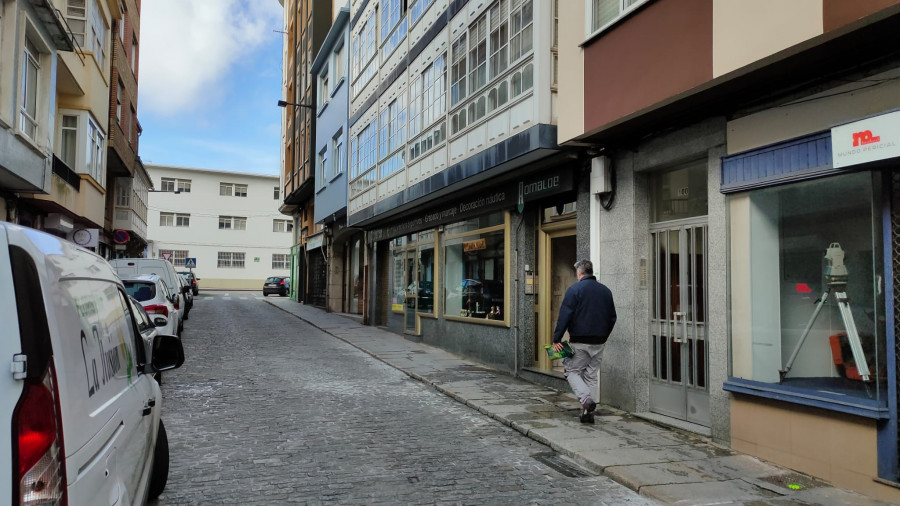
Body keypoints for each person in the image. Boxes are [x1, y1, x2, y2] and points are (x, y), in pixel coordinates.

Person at [552, 259, 617, 423]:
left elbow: (565, 316)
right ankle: (588, 415)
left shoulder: (575, 290)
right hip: (599, 342)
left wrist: (556, 339)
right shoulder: (606, 291)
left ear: (579, 273)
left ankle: (586, 400)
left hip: (580, 341)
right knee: (591, 376)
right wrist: (604, 335)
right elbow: (612, 318)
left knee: (571, 371)